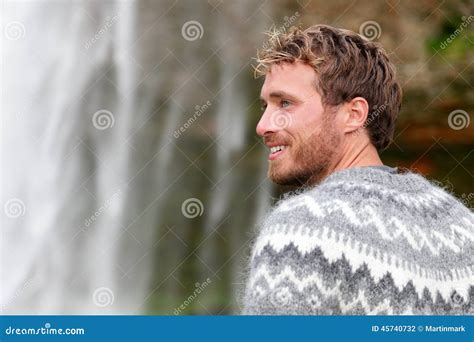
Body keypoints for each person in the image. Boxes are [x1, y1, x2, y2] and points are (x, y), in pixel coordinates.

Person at [242, 25, 473, 315]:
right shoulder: (462, 228)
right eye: (265, 105)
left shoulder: (301, 230)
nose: (262, 125)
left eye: (285, 103)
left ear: (353, 115)